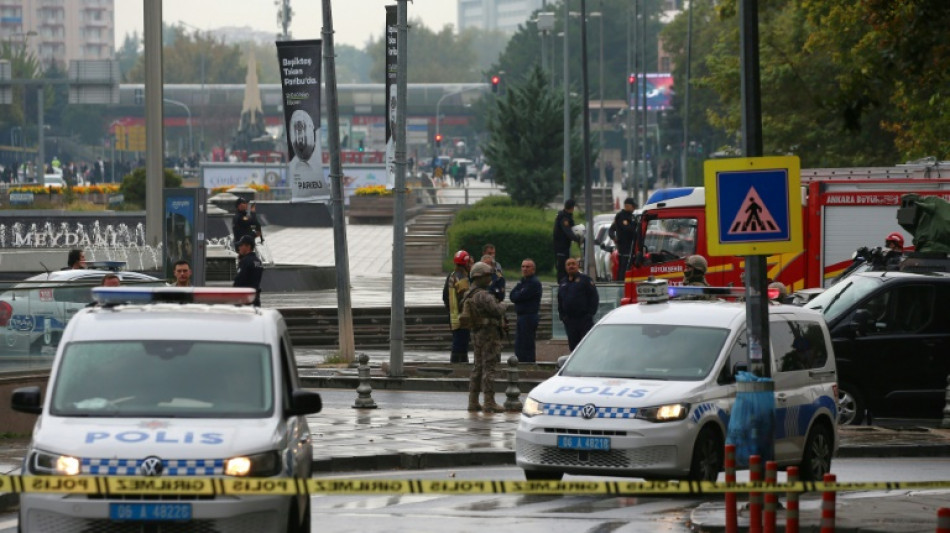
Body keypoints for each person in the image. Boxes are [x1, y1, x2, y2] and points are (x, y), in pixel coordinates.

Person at [463, 261, 508, 413]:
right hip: (489, 334)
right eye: (488, 276)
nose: (490, 279)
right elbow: (496, 310)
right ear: (479, 277)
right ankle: (489, 402)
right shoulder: (484, 295)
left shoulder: (469, 293)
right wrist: (503, 306)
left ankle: (473, 401)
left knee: (477, 367)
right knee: (489, 368)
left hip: (476, 334)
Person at [557, 257, 599, 351]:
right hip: (570, 321)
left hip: (584, 320)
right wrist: (562, 316)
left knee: (586, 346)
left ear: (577, 266)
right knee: (573, 348)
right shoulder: (563, 282)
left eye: (573, 264)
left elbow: (594, 297)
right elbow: (560, 300)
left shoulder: (585, 280)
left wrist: (590, 314)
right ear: (565, 267)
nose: (571, 266)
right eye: (568, 264)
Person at [509, 258, 542, 363]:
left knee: (527, 343)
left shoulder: (534, 283)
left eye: (528, 267)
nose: (525, 269)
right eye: (523, 266)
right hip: (521, 316)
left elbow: (520, 296)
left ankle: (528, 363)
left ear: (533, 269)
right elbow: (512, 295)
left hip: (529, 316)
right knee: (519, 343)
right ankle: (520, 362)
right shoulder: (522, 281)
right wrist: (518, 295)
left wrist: (518, 295)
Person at [442, 250, 472, 363]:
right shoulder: (463, 280)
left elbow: (445, 296)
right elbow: (466, 300)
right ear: (466, 263)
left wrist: (450, 310)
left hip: (452, 316)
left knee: (456, 344)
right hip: (462, 318)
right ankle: (460, 371)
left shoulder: (451, 276)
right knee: (461, 347)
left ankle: (455, 367)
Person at [609, 198, 638, 281]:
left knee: (630, 268)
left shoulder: (631, 216)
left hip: (632, 247)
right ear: (627, 206)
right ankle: (621, 286)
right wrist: (614, 238)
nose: (634, 208)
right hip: (624, 247)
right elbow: (628, 229)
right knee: (624, 268)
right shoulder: (621, 216)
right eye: (633, 206)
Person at [553, 199, 582, 284]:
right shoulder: (564, 217)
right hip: (560, 246)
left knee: (565, 266)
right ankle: (562, 284)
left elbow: (572, 228)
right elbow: (568, 231)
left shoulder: (567, 215)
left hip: (564, 246)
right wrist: (577, 239)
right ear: (572, 207)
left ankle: (565, 283)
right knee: (562, 267)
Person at [233, 235, 264, 306]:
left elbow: (239, 280)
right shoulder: (258, 261)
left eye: (241, 245)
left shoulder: (245, 261)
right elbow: (257, 275)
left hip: (244, 299)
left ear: (248, 246)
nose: (239, 248)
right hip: (255, 298)